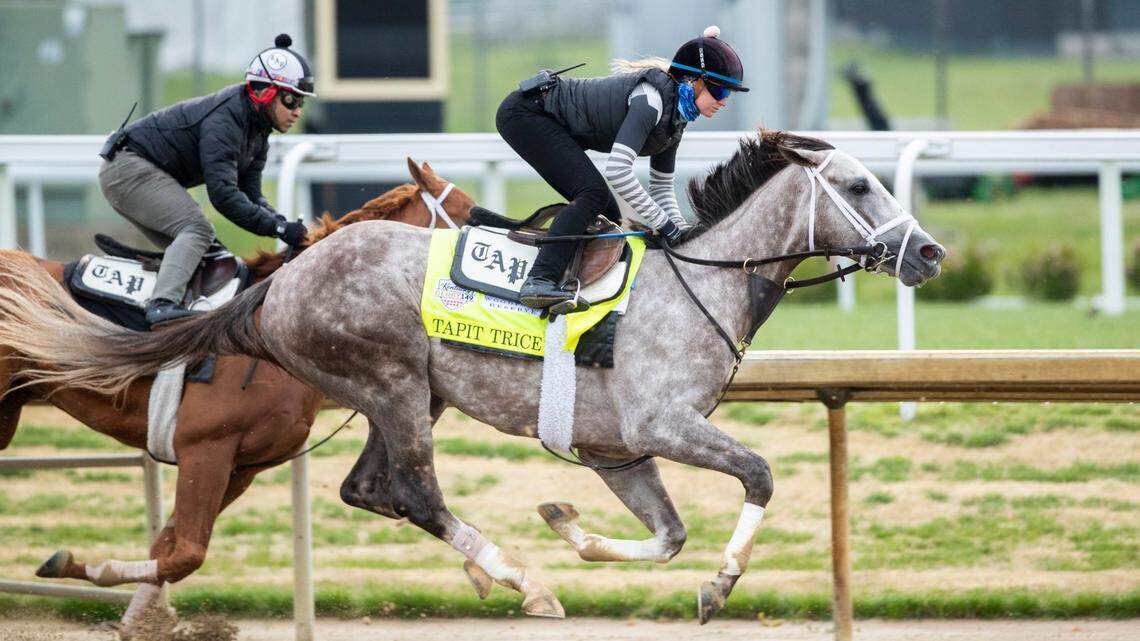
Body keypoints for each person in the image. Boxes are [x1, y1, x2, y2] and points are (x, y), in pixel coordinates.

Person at [496, 25, 748, 309]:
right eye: (720, 89)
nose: (725, 100)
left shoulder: (676, 118)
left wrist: (682, 233)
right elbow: (618, 171)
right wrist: (665, 226)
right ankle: (539, 281)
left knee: (609, 214)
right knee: (592, 195)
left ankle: (575, 287)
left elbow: (662, 188)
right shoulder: (650, 102)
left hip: (541, 116)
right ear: (694, 81)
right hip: (525, 113)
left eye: (730, 92)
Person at [98, 34, 314, 326]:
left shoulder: (258, 132)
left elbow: (250, 195)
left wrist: (281, 223)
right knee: (197, 229)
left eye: (301, 101)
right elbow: (223, 196)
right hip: (127, 169)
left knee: (212, 255)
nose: (297, 111)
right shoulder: (226, 120)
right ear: (265, 92)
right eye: (291, 99)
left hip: (137, 170)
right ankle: (162, 305)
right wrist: (277, 228)